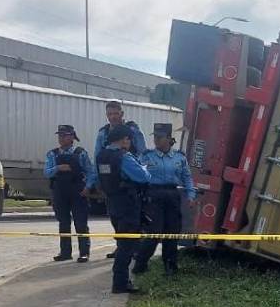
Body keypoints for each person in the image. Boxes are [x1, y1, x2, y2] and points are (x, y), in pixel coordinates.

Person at [135, 123, 196, 276]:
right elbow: (138, 176)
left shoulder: (179, 157)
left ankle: (170, 266)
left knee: (172, 232)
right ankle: (140, 263)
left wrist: (191, 195)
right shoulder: (147, 156)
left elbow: (187, 178)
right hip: (153, 195)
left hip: (172, 195)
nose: (156, 140)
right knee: (153, 232)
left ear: (169, 138)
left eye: (160, 137)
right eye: (155, 136)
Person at [96, 125, 150, 293]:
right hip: (128, 204)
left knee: (122, 243)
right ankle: (120, 283)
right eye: (128, 139)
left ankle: (120, 281)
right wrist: (145, 167)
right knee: (127, 246)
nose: (129, 142)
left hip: (112, 204)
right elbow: (143, 177)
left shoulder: (101, 156)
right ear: (124, 139)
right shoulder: (124, 157)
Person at [44, 125, 97, 263]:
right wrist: (58, 168)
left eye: (64, 135)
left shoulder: (81, 153)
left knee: (81, 223)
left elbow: (91, 172)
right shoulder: (52, 154)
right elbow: (47, 172)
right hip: (60, 192)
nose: (61, 138)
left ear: (72, 137)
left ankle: (84, 253)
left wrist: (88, 187)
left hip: (78, 191)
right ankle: (65, 252)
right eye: (59, 135)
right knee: (63, 223)